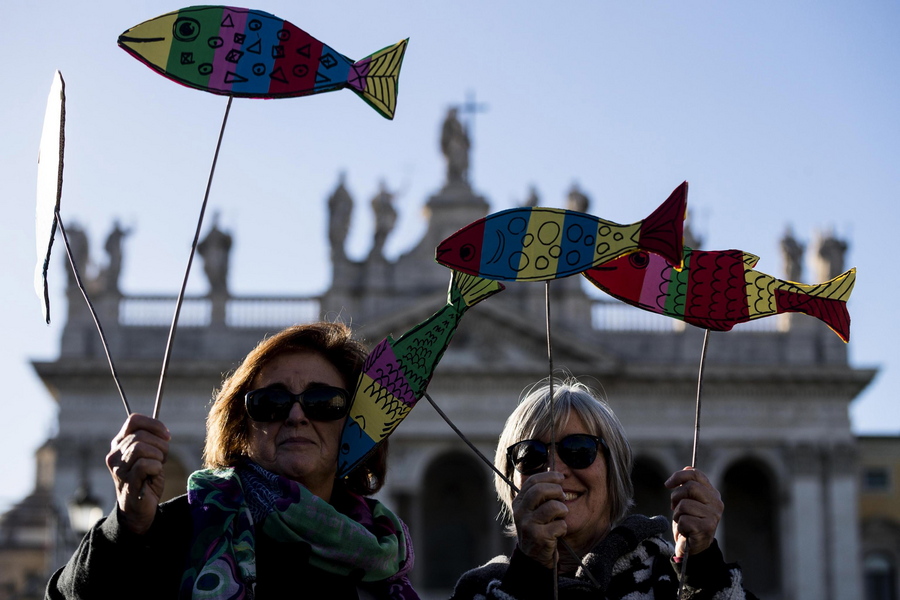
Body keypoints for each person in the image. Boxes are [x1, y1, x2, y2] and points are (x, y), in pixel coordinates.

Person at [47, 322, 419, 599]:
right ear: (241, 427)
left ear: (357, 425)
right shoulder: (182, 528)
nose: (296, 416)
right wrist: (125, 528)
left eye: (323, 402)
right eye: (270, 404)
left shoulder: (381, 549)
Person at [451, 379, 756, 599]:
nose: (555, 471)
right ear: (509, 482)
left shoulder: (669, 580)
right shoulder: (479, 590)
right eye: (530, 455)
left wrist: (702, 568)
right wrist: (530, 575)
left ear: (615, 471)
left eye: (579, 450)